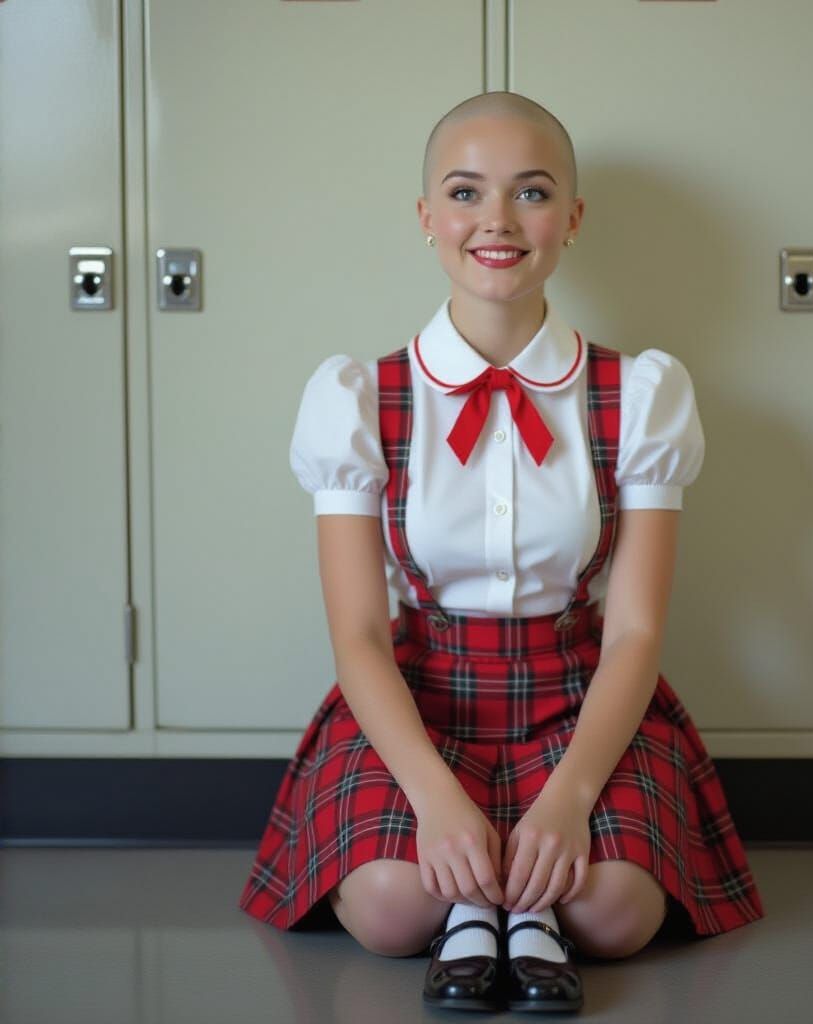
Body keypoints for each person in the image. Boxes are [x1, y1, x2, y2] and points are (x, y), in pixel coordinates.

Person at [239, 90, 765, 1013]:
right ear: (426, 218)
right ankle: (487, 906)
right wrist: (436, 800)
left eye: (530, 192)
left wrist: (568, 799)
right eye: (466, 192)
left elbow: (636, 631)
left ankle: (510, 905)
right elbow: (361, 633)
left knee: (616, 914)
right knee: (393, 906)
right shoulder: (360, 397)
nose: (496, 221)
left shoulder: (637, 393)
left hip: (579, 693)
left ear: (571, 218)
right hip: (420, 692)